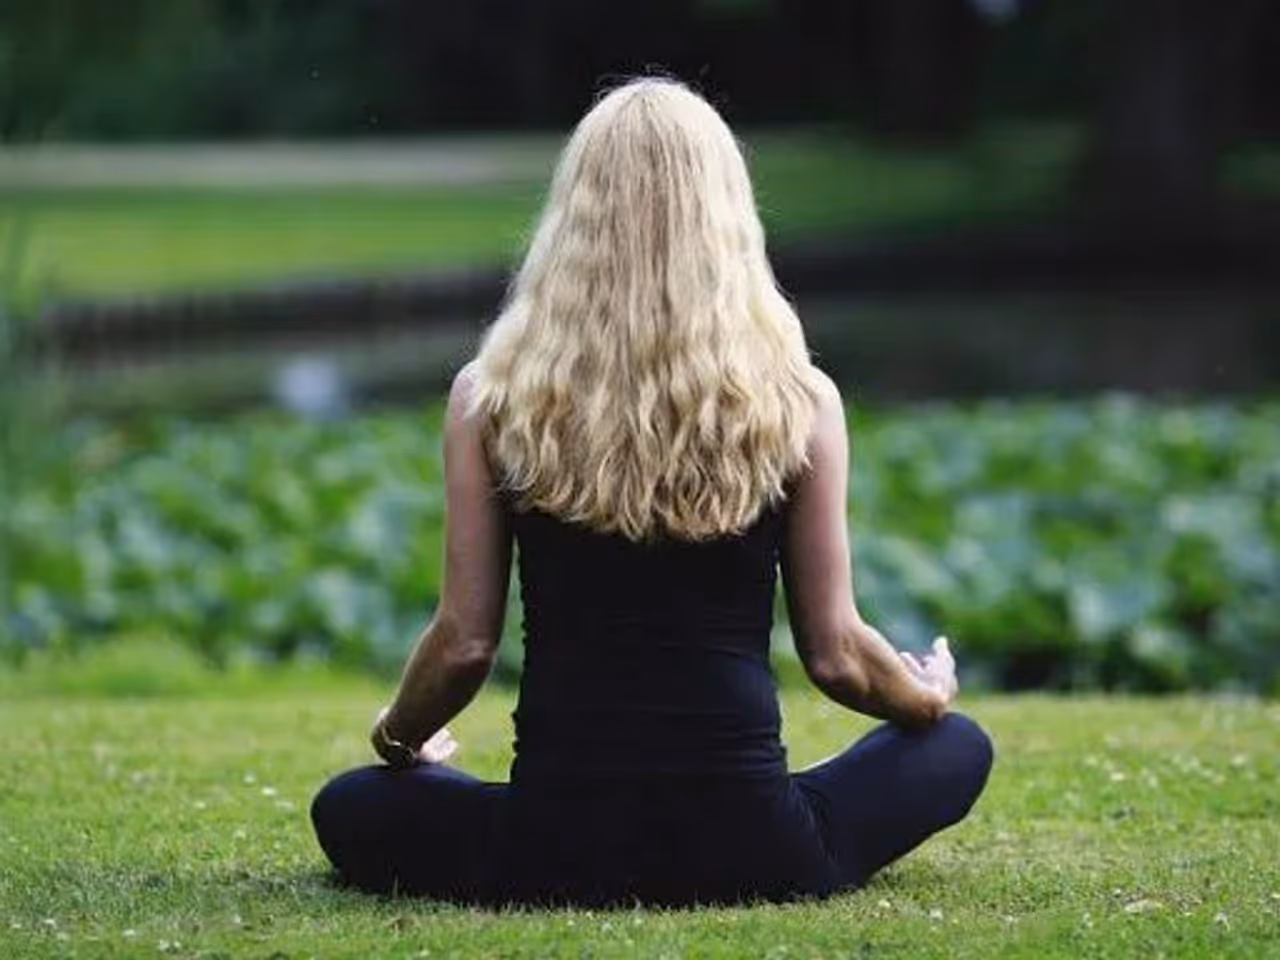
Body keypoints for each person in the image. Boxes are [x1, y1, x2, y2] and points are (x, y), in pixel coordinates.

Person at [309, 76, 994, 908]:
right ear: (727, 218)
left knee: (348, 805)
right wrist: (920, 697)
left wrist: (397, 740)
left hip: (554, 850)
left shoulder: (491, 399)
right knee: (955, 745)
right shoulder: (798, 399)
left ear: (573, 219)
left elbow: (463, 645)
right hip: (760, 847)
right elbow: (837, 654)